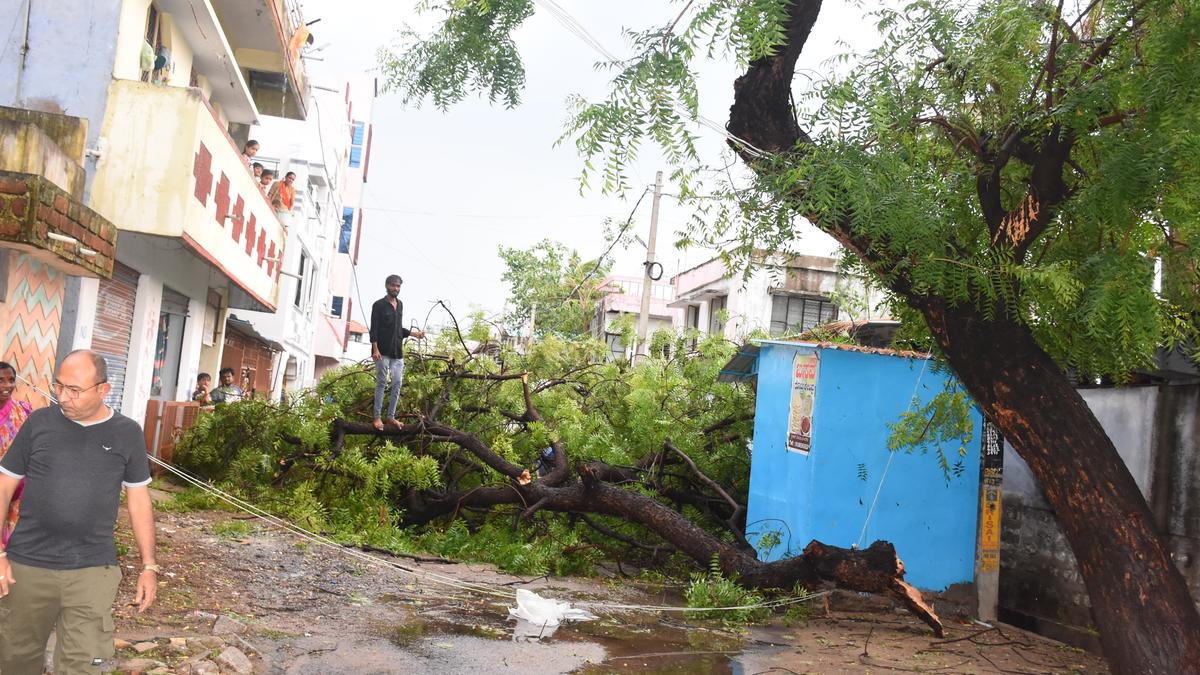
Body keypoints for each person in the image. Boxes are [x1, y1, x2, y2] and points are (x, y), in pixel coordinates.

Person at [0, 350, 158, 674]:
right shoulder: (39, 423)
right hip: (27, 566)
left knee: (86, 664)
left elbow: (139, 500)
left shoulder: (126, 433)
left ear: (103, 389)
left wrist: (149, 566)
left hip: (92, 568)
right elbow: (3, 488)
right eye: (59, 386)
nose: (63, 397)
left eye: (74, 390)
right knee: (14, 660)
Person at [369, 275, 425, 430]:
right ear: (386, 285)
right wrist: (375, 348)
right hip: (382, 352)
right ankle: (377, 417)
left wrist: (415, 334)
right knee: (381, 383)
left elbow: (398, 329)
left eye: (398, 286)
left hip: (397, 352)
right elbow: (373, 328)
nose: (396, 288)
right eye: (393, 285)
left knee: (397, 383)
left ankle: (391, 417)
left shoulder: (400, 305)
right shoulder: (378, 305)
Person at [0, 362, 32, 548]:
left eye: (11, 380)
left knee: (13, 542)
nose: (7, 386)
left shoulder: (25, 411)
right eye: (1, 381)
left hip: (19, 490)